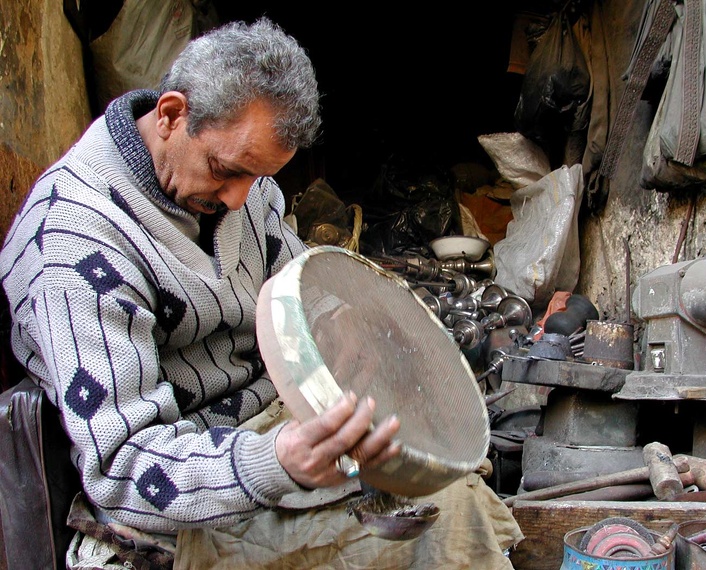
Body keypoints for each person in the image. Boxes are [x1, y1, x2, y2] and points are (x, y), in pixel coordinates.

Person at [0, 16, 523, 569]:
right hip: (184, 475)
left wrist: (338, 319)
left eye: (258, 178)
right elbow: (122, 467)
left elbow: (302, 283)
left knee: (448, 493)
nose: (237, 200)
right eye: (225, 171)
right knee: (436, 530)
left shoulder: (249, 190)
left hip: (269, 419)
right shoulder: (77, 243)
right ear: (172, 114)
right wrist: (276, 463)